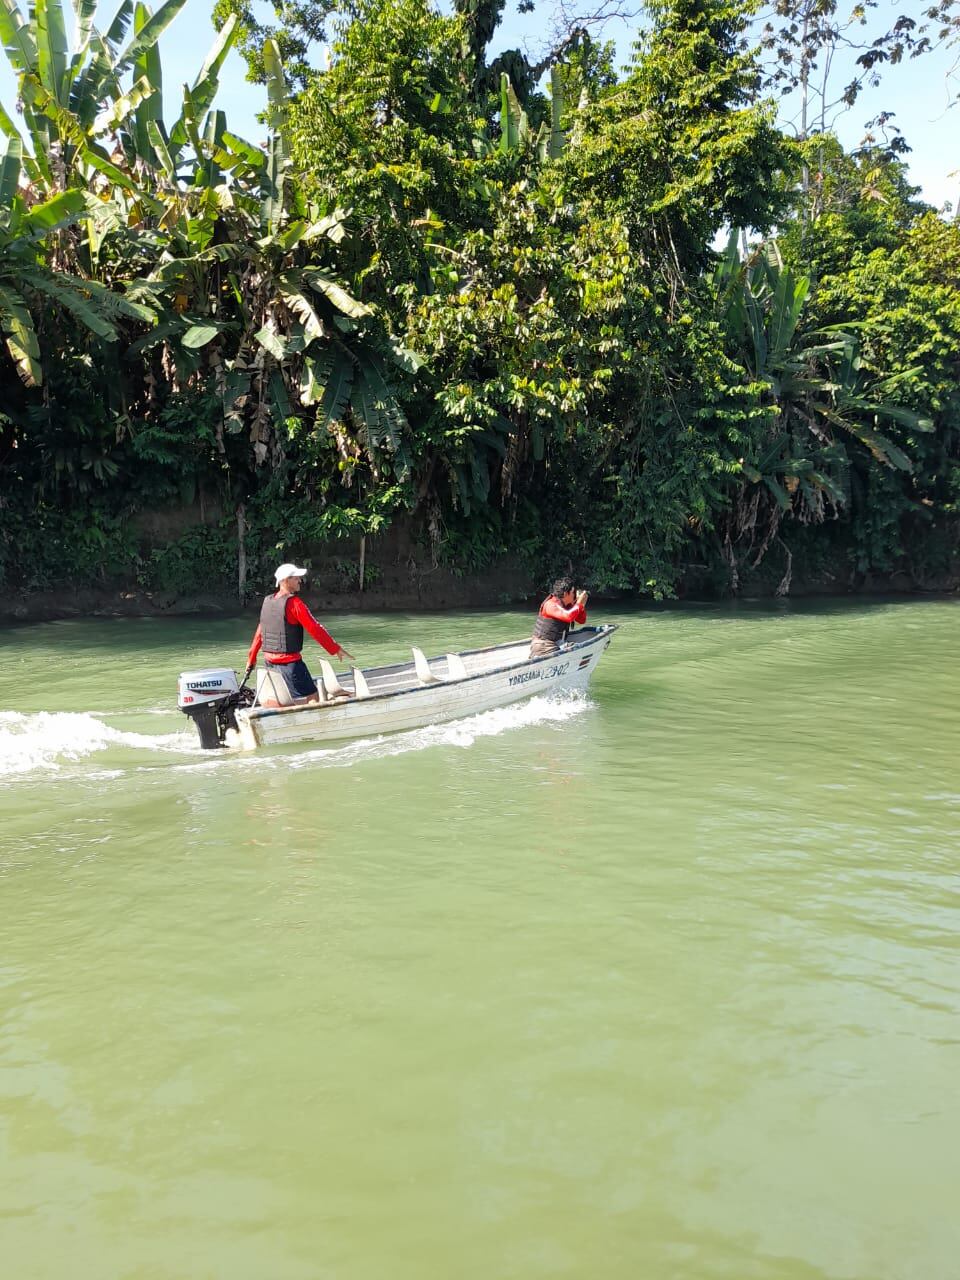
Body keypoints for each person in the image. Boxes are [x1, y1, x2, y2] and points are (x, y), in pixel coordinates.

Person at [245, 563, 357, 707]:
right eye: (296, 578)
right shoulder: (294, 603)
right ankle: (311, 724)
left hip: (269, 663)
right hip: (290, 664)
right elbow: (315, 628)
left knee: (279, 700)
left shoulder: (268, 602)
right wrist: (335, 649)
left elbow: (259, 634)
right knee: (313, 695)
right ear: (286, 581)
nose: (300, 580)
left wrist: (252, 658)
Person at [529, 577, 588, 658]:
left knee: (579, 649)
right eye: (572, 592)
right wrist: (578, 604)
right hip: (544, 645)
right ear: (565, 594)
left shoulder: (568, 606)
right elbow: (568, 616)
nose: (574, 595)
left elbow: (582, 620)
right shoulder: (550, 605)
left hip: (558, 643)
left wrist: (582, 605)